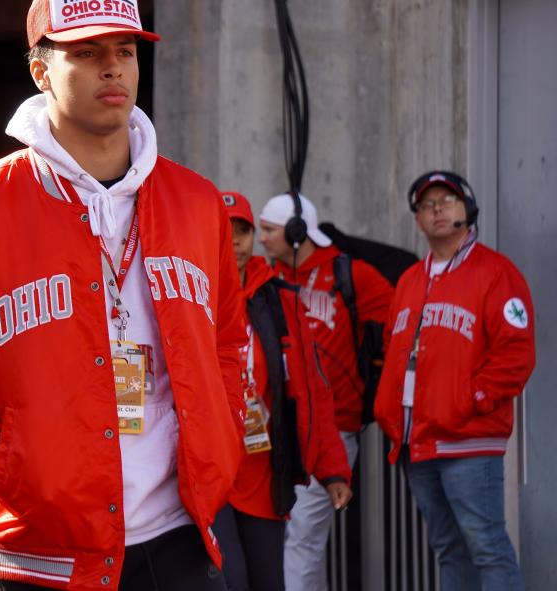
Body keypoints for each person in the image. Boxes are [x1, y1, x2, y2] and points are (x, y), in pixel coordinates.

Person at [0, 0, 247, 591]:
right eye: (86, 52)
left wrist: (223, 439)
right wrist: (2, 460)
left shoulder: (198, 202)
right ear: (39, 69)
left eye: (125, 51)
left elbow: (230, 342)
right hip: (37, 553)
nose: (113, 68)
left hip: (181, 537)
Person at [375, 171, 535, 591]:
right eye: (427, 205)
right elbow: (394, 350)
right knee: (448, 548)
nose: (437, 210)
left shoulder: (496, 272)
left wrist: (472, 398)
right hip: (416, 441)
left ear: (467, 209)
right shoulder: (410, 280)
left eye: (447, 200)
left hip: (468, 439)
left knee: (487, 547)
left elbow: (515, 353)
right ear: (418, 220)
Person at [214, 191, 352, 591]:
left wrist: (332, 470)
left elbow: (312, 391)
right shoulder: (191, 297)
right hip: (212, 473)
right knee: (229, 580)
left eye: (243, 231)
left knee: (268, 582)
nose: (235, 241)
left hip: (263, 472)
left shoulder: (279, 301)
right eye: (225, 231)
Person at [256, 191, 393, 590]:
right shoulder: (271, 280)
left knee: (301, 541)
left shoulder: (351, 275)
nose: (262, 240)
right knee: (286, 541)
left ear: (298, 233)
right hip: (276, 431)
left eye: (269, 230)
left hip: (331, 429)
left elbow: (400, 328)